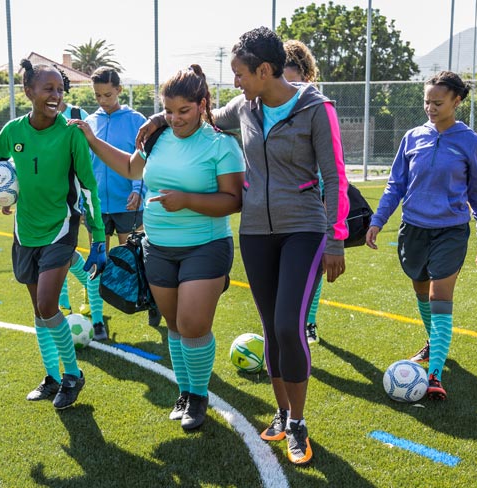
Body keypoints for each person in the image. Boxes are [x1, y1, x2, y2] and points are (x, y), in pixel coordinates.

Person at [137, 27, 349, 466]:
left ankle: (298, 422)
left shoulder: (315, 108)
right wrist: (160, 119)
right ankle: (283, 411)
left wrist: (336, 239)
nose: (234, 82)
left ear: (264, 70)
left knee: (290, 325)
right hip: (255, 232)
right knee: (272, 327)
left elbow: (335, 177)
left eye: (239, 73)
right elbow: (205, 117)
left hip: (304, 229)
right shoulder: (246, 107)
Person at [69, 64, 245, 431]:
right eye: (168, 111)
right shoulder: (156, 137)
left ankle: (199, 395)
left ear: (202, 104)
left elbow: (233, 201)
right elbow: (132, 170)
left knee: (193, 324)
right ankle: (184, 392)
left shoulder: (220, 143)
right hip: (157, 247)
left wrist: (187, 200)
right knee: (175, 327)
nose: (175, 118)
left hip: (206, 246)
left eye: (184, 111)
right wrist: (91, 139)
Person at [0, 59, 107, 410]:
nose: (56, 95)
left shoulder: (72, 131)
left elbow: (88, 187)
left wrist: (99, 237)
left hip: (60, 229)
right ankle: (52, 377)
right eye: (48, 89)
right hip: (24, 231)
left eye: (60, 89)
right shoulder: (13, 131)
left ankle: (73, 375)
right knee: (38, 310)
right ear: (28, 91)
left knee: (48, 304)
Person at [365, 70, 477, 401]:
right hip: (414, 230)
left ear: (457, 101)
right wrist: (378, 220)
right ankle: (433, 341)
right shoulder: (412, 138)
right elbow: (396, 185)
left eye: (438, 102)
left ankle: (434, 373)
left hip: (450, 231)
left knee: (440, 296)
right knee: (422, 291)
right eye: (427, 101)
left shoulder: (471, 143)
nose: (430, 108)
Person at [84, 66, 155, 338]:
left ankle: (151, 300)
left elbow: (142, 157)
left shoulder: (136, 120)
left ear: (119, 90)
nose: (103, 100)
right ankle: (98, 319)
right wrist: (84, 201)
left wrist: (138, 189)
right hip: (97, 207)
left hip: (128, 203)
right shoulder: (90, 122)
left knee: (134, 259)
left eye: (108, 94)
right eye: (98, 95)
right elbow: (86, 164)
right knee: (97, 261)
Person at [283, 39, 323, 345]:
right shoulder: (265, 104)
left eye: (290, 74)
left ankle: (308, 322)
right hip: (276, 204)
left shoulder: (315, 103)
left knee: (314, 267)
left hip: (312, 199)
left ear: (304, 73)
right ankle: (286, 324)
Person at [56, 95, 95, 324]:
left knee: (64, 252)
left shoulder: (79, 116)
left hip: (76, 196)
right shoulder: (37, 121)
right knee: (55, 252)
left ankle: (91, 293)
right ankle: (62, 303)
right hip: (51, 199)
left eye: (57, 89)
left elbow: (90, 156)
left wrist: (85, 198)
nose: (53, 95)